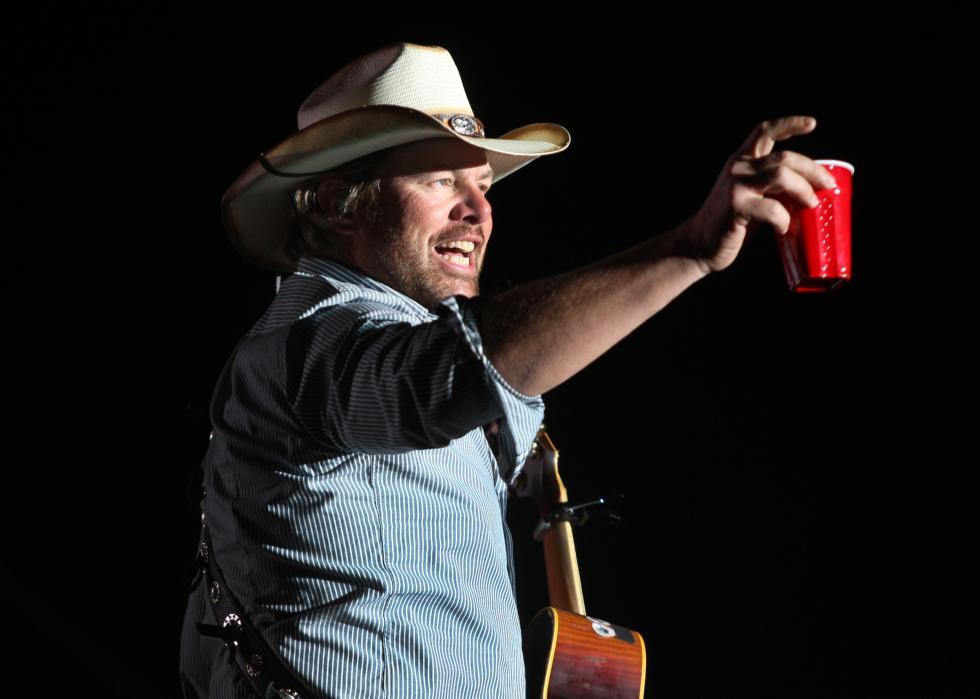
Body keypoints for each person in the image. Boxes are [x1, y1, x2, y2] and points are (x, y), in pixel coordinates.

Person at [178, 41, 836, 699]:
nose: (480, 213)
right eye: (439, 180)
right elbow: (452, 374)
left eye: (484, 186)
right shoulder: (311, 344)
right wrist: (688, 250)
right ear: (336, 203)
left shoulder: (376, 347)